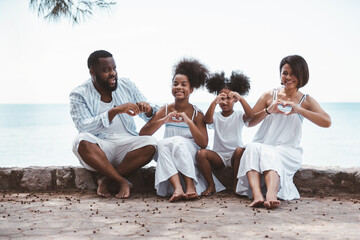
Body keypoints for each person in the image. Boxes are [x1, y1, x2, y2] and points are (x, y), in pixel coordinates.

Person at [236, 55, 331, 209]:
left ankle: (271, 195)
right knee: (252, 147)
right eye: (285, 73)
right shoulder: (269, 95)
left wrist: (299, 110)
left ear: (301, 76)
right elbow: (248, 121)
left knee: (270, 152)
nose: (288, 77)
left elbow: (326, 121)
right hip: (263, 145)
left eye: (293, 73)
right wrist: (268, 110)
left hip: (288, 151)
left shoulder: (305, 101)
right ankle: (257, 195)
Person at [70, 50, 158, 199]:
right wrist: (114, 111)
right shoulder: (79, 94)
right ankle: (122, 181)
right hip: (101, 148)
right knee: (81, 141)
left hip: (127, 145)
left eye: (114, 69)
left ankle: (107, 179)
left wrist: (148, 110)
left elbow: (151, 112)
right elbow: (84, 127)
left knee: (151, 143)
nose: (113, 74)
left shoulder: (126, 85)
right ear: (92, 72)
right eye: (106, 70)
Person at [139, 58, 225, 202]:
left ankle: (190, 185)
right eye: (175, 84)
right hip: (171, 155)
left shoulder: (197, 114)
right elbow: (143, 134)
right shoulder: (164, 110)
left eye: (183, 84)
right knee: (161, 144)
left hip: (189, 155)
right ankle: (178, 188)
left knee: (178, 142)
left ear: (191, 89)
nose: (179, 87)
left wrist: (188, 121)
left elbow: (203, 143)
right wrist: (163, 120)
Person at [196, 71, 254, 196]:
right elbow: (206, 120)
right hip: (219, 156)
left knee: (240, 150)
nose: (225, 102)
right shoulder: (216, 116)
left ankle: (236, 185)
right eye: (222, 98)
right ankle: (211, 185)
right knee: (201, 154)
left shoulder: (238, 115)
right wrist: (214, 102)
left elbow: (251, 116)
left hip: (235, 156)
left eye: (229, 98)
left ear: (235, 100)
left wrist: (241, 98)